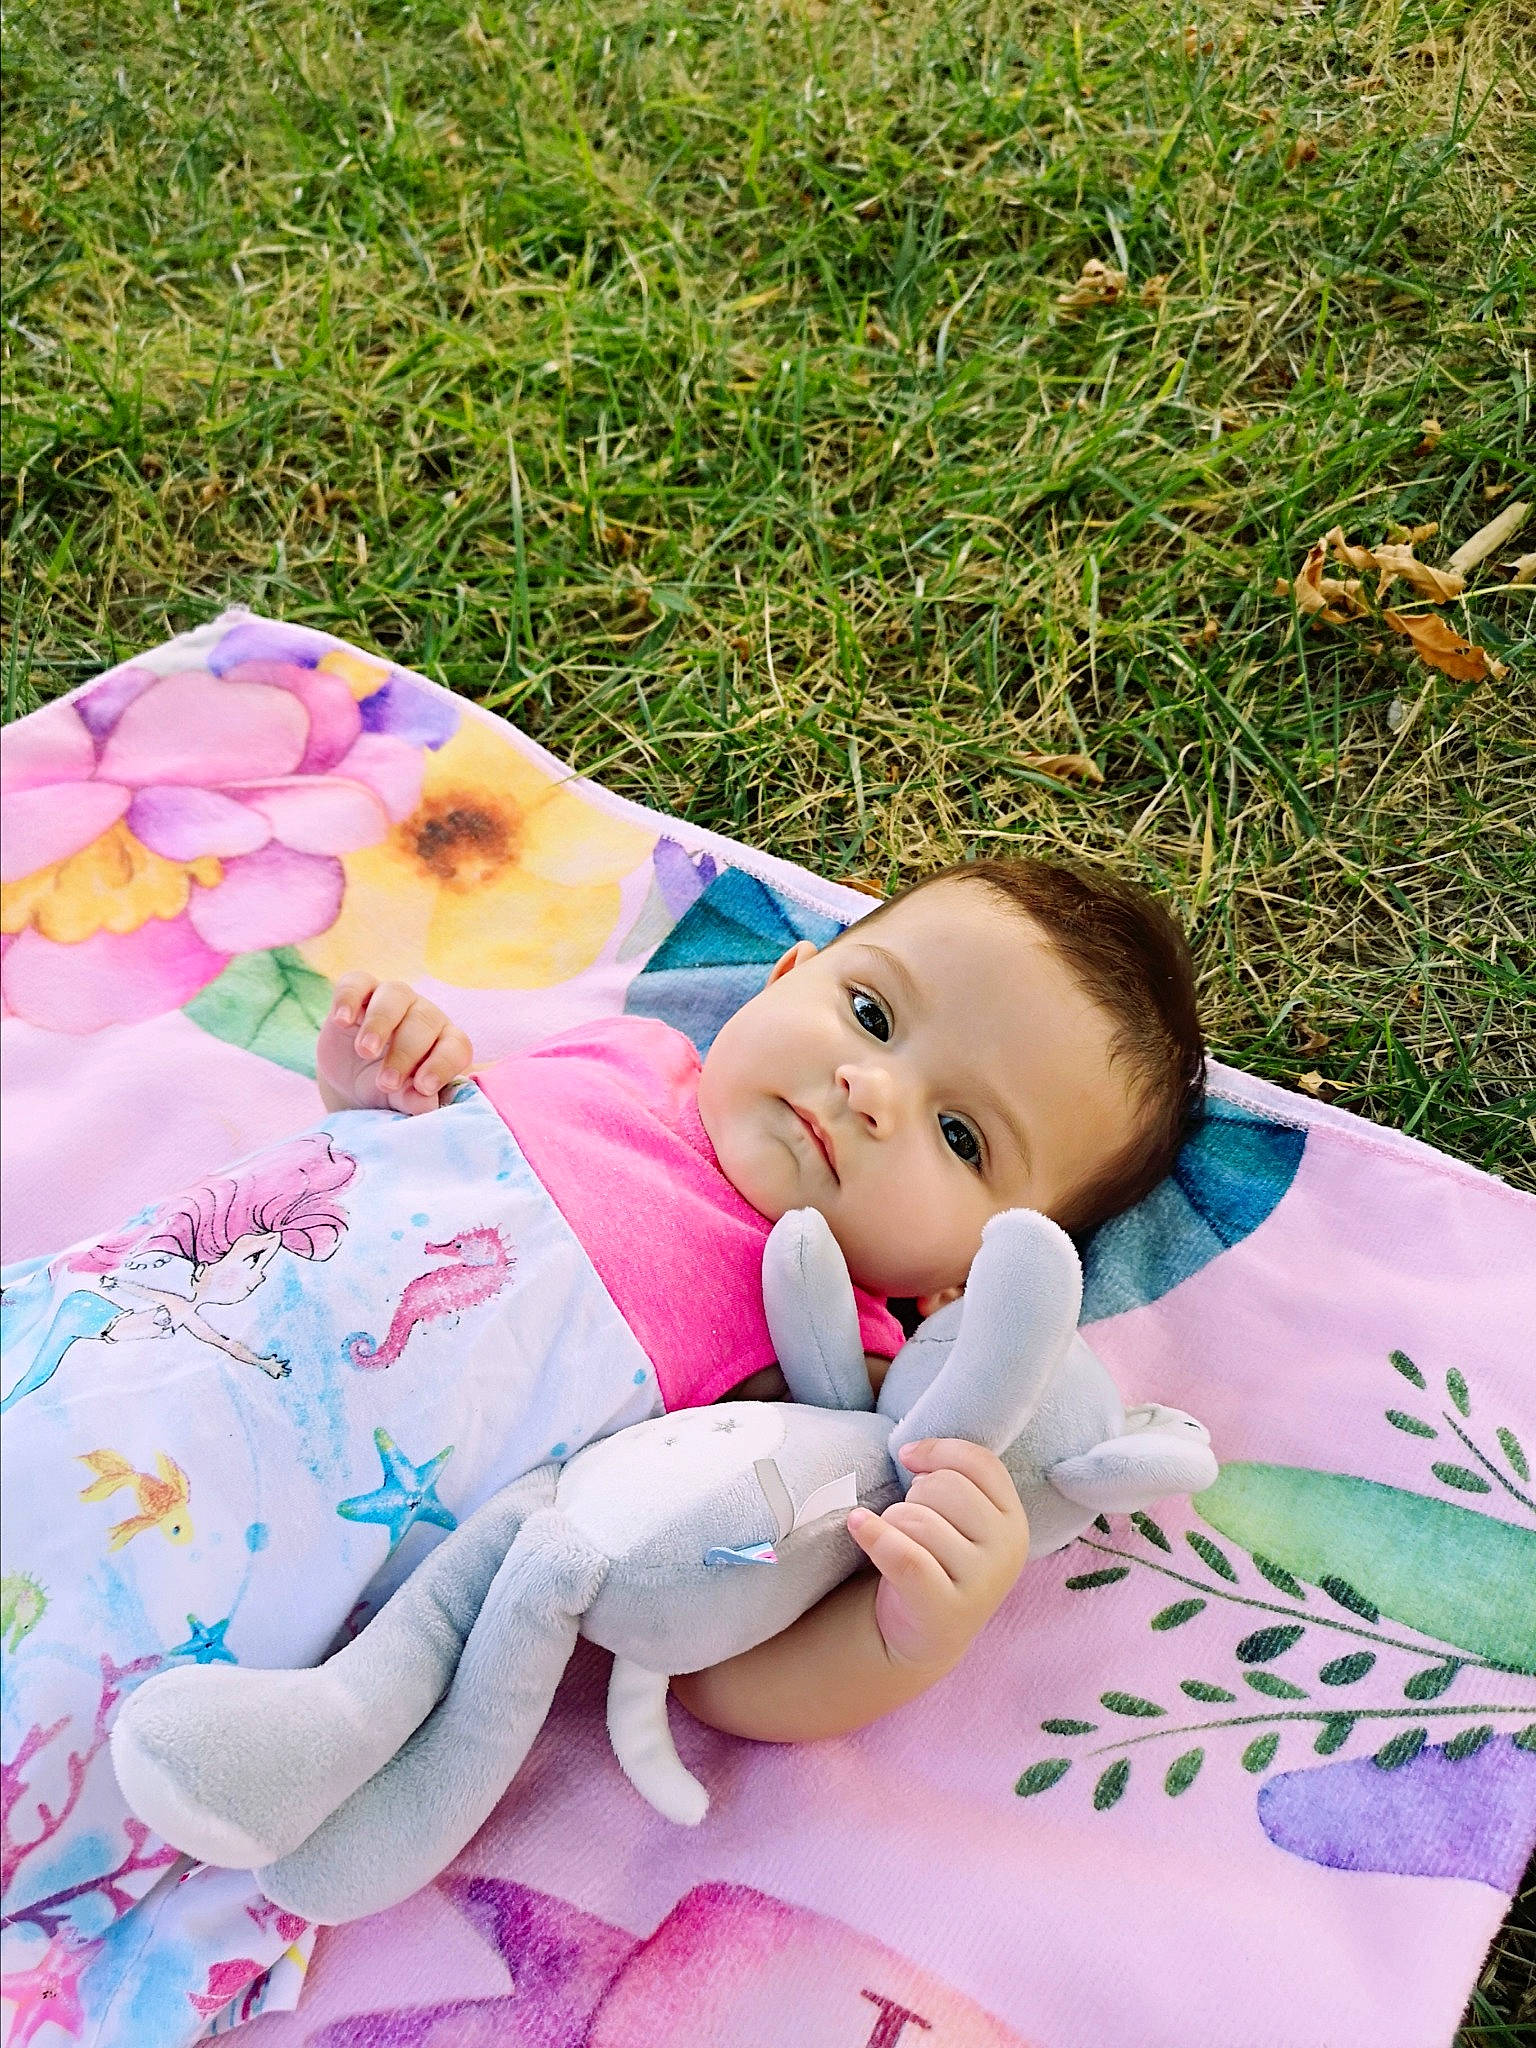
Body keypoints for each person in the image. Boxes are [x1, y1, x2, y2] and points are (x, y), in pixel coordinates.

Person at [309, 855, 1205, 1740]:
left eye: (960, 1135)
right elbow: (396, 1176)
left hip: (295, 1559)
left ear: (971, 1280)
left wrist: (905, 1638)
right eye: (871, 1014)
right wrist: (376, 1089)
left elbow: (719, 1670)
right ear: (787, 974)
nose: (873, 1089)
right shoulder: (619, 1054)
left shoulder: (824, 1382)